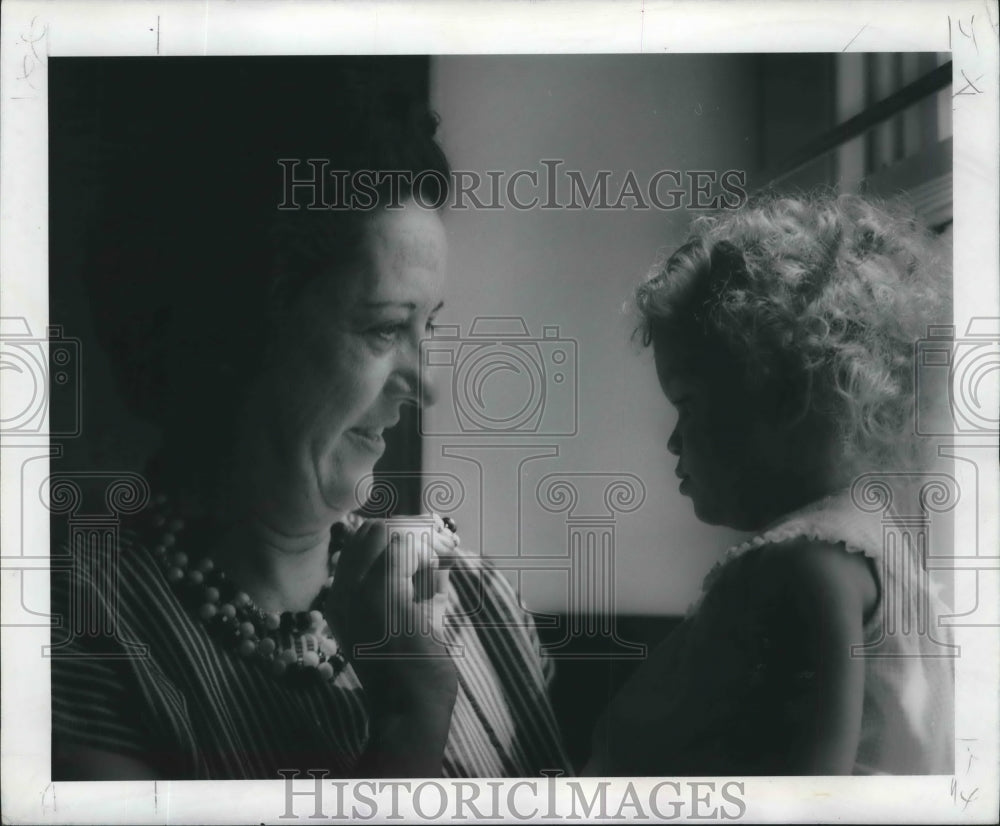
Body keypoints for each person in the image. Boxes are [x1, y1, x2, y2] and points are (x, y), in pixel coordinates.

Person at [50, 65, 569, 780]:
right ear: (237, 334)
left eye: (431, 326)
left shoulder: (473, 599)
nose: (431, 385)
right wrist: (407, 727)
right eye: (385, 330)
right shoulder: (78, 632)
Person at [586, 191, 954, 775]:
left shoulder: (806, 566)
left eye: (687, 404)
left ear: (784, 395)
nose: (673, 441)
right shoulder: (884, 557)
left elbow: (803, 800)